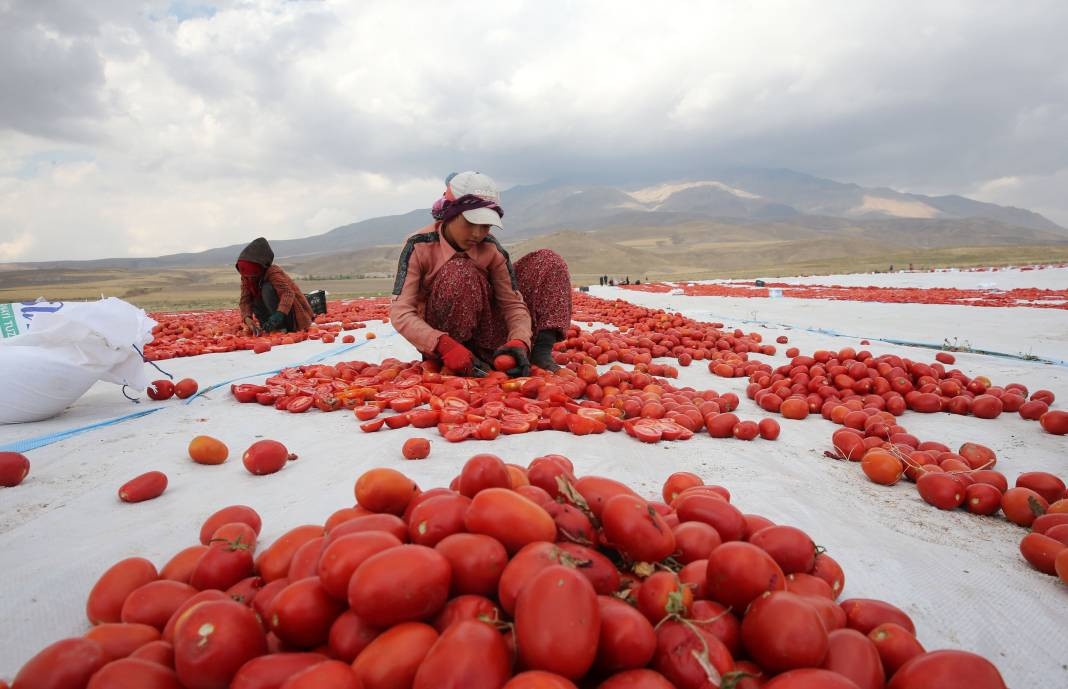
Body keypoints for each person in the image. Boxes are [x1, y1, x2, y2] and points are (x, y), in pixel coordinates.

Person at [389, 171, 572, 377]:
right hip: (444, 340)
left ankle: (539, 353)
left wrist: (520, 339)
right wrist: (443, 345)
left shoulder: (491, 248)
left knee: (548, 261)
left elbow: (512, 303)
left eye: (485, 225)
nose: (477, 234)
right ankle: (462, 358)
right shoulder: (418, 246)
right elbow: (400, 312)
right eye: (469, 223)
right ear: (450, 214)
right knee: (459, 271)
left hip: (488, 332)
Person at [236, 237, 314, 334]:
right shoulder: (246, 278)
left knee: (267, 289)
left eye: (252, 275)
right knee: (254, 297)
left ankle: (282, 327)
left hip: (287, 314)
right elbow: (245, 300)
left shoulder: (273, 272)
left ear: (260, 267)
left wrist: (279, 315)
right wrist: (247, 318)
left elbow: (287, 293)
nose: (249, 278)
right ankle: (270, 327)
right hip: (270, 317)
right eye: (246, 276)